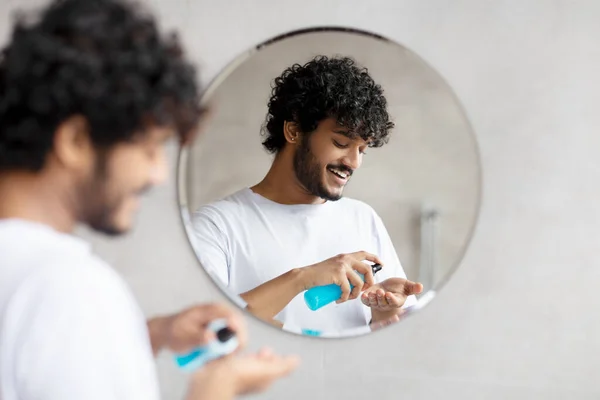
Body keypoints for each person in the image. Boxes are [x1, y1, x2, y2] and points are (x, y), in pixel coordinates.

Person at [0, 1, 299, 400]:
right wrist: (215, 391)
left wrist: (146, 335)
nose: (158, 174)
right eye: (150, 147)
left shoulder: (33, 282)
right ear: (75, 141)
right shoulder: (69, 288)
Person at [191, 56, 424, 336]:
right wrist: (301, 279)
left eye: (362, 150)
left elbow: (397, 340)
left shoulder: (363, 218)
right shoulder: (217, 225)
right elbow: (206, 330)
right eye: (341, 143)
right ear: (293, 131)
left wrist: (383, 312)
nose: (354, 162)